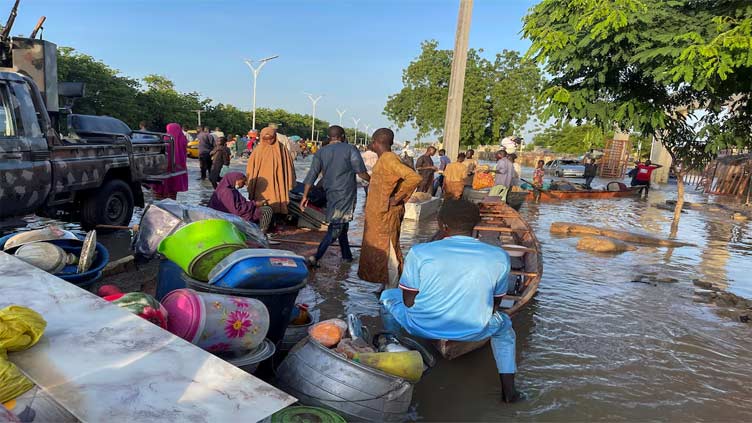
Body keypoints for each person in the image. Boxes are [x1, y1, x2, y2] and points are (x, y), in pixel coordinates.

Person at [379, 200, 522, 403]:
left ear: (441, 224)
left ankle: (393, 345)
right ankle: (510, 392)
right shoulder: (499, 256)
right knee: (505, 329)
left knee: (386, 297)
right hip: (473, 330)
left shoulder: (420, 252)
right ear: (476, 223)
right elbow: (495, 305)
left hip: (420, 326)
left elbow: (408, 301)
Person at [358, 128, 422, 287]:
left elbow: (414, 177)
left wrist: (397, 198)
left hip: (386, 214)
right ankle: (385, 286)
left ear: (375, 142)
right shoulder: (385, 159)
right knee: (381, 251)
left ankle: (393, 290)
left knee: (390, 251)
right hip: (379, 214)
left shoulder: (389, 159)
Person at [301, 126, 371, 267]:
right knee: (337, 227)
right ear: (343, 136)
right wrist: (373, 180)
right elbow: (361, 172)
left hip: (330, 192)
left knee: (341, 223)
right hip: (345, 193)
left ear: (330, 137)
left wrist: (304, 196)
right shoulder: (350, 149)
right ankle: (316, 256)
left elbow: (311, 175)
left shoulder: (321, 152)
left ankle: (347, 256)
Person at [245, 126, 296, 214]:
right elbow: (251, 170)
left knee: (277, 202)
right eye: (266, 139)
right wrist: (250, 183)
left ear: (275, 137)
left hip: (278, 182)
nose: (269, 141)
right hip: (261, 185)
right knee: (262, 205)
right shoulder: (257, 151)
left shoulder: (282, 149)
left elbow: (288, 168)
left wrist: (289, 182)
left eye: (271, 138)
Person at [208, 172, 273, 234]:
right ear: (235, 180)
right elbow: (237, 210)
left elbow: (239, 204)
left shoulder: (230, 189)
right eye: (243, 182)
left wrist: (254, 204)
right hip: (232, 217)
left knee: (263, 209)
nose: (244, 184)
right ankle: (260, 234)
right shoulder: (227, 192)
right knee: (267, 210)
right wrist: (255, 204)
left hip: (233, 214)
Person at [151, 123, 189, 200]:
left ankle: (160, 205)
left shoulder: (165, 138)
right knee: (173, 190)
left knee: (160, 191)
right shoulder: (183, 139)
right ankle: (171, 205)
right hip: (177, 168)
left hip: (164, 167)